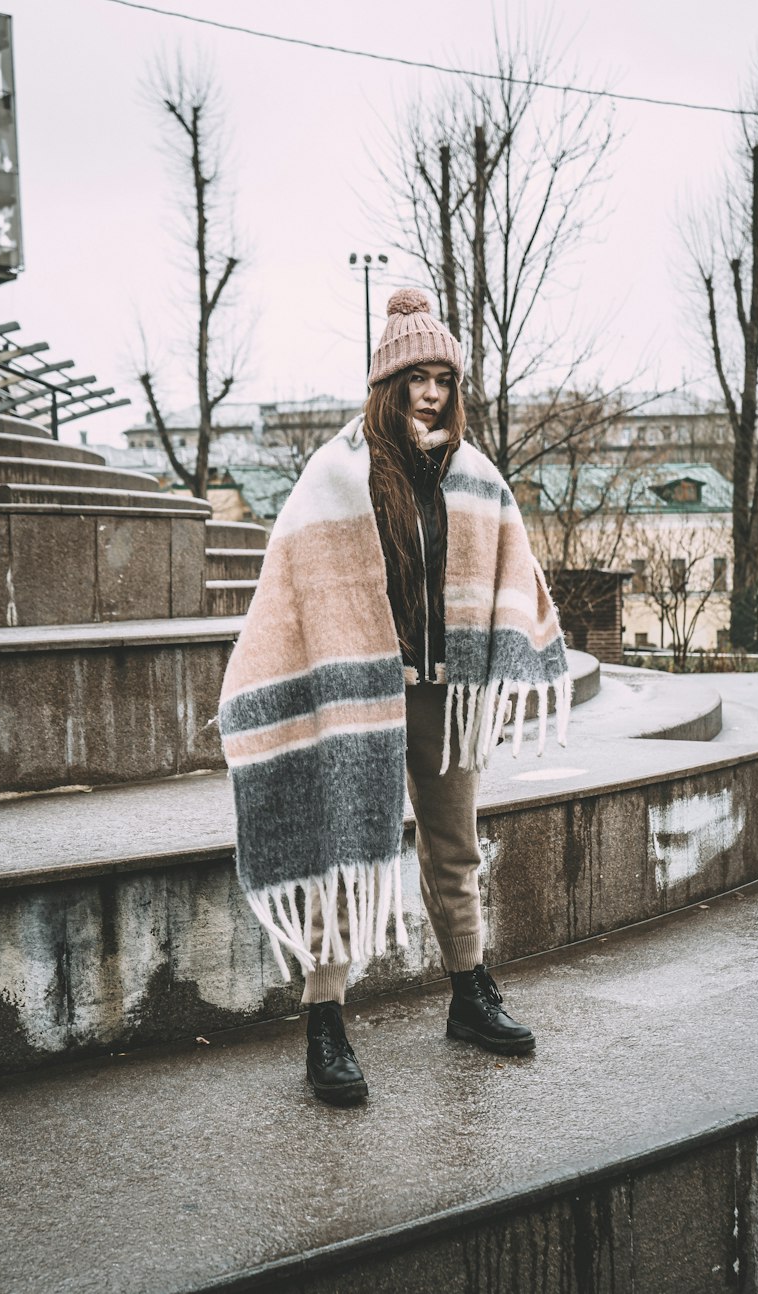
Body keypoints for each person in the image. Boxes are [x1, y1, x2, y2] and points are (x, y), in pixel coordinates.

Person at [219, 290, 571, 1105]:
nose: (432, 391)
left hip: (445, 699)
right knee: (346, 854)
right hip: (362, 701)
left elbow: (509, 573)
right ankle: (326, 1024)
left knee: (455, 850)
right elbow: (292, 585)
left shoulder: (474, 475)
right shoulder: (335, 474)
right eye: (416, 376)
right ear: (387, 383)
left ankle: (470, 996)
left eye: (443, 376)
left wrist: (504, 656)